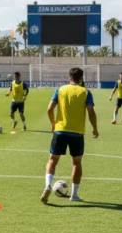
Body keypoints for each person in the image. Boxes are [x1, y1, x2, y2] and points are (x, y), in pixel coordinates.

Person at [41, 68, 99, 204]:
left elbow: (49, 108)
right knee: (76, 162)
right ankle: (74, 195)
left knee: (52, 160)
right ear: (81, 78)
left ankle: (47, 185)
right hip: (77, 132)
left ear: (69, 77)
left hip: (60, 130)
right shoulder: (85, 92)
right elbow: (91, 111)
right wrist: (95, 128)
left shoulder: (60, 89)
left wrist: (53, 123)